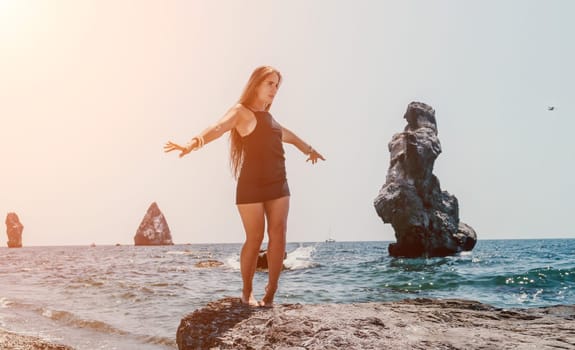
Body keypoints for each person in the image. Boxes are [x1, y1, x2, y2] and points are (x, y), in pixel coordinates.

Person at [164, 66, 325, 307]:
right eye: (270, 83)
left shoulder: (271, 119)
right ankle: (247, 291)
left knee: (278, 233)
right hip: (250, 186)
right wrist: (193, 143)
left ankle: (271, 291)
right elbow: (218, 127)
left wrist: (309, 150)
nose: (274, 89)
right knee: (255, 237)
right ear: (256, 84)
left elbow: (289, 136)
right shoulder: (241, 112)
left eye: (277, 85)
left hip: (278, 183)